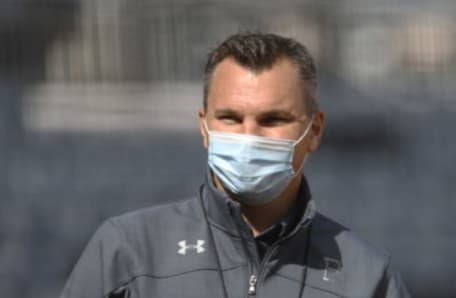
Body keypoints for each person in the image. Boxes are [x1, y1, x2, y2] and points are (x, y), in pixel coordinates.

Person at [60, 32, 411, 298]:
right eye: (230, 118)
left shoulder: (367, 277)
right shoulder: (128, 251)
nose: (249, 136)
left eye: (273, 119)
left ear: (314, 130)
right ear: (204, 127)